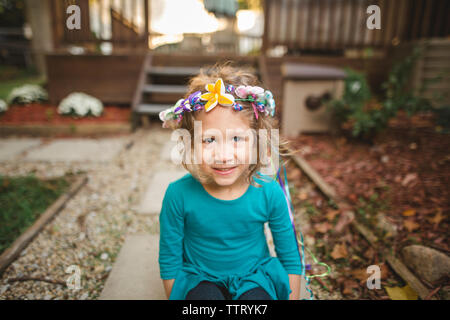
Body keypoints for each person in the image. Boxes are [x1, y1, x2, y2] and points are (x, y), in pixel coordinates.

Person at [158, 64, 302, 300]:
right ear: (192, 145)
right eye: (209, 140)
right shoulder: (178, 195)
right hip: (199, 277)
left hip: (254, 277)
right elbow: (169, 260)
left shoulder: (268, 192)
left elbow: (289, 258)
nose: (223, 156)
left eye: (237, 138)